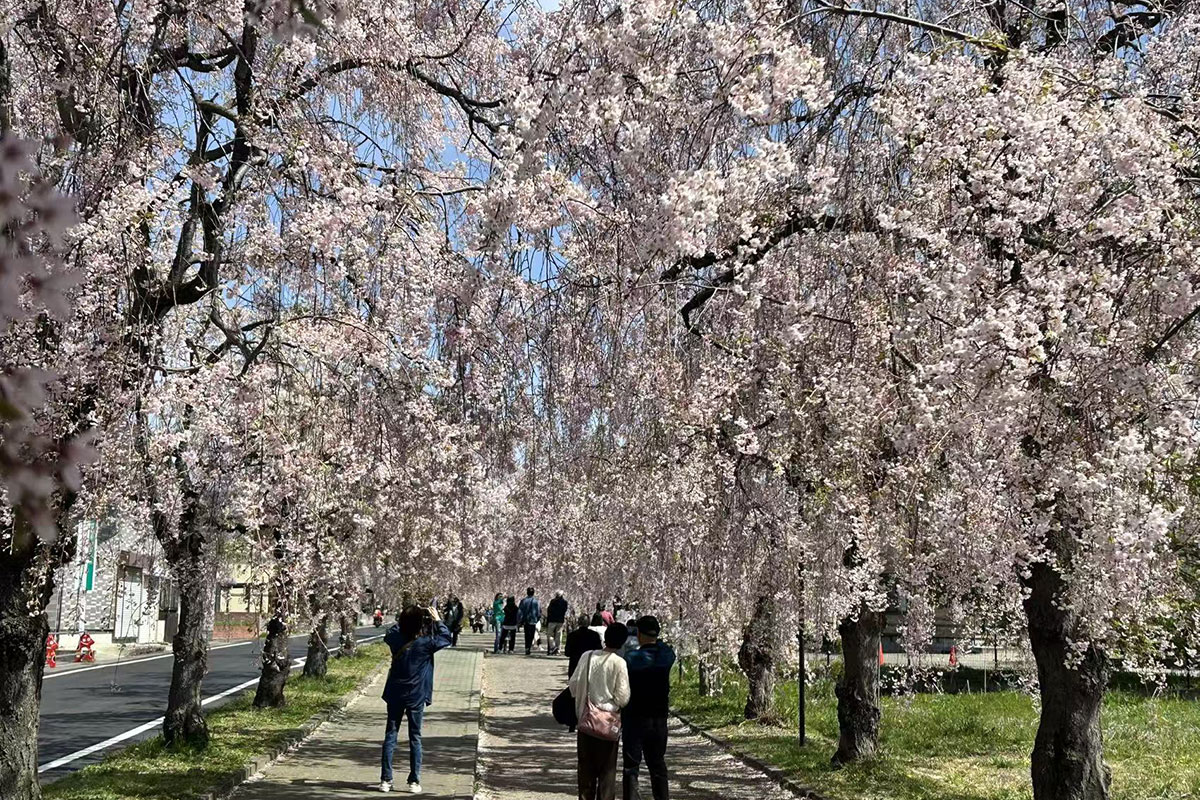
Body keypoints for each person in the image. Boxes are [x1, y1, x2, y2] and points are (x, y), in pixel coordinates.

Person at [379, 604, 453, 794]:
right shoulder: (426, 643)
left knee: (390, 735)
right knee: (415, 737)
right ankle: (414, 781)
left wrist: (404, 618)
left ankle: (386, 780)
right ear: (420, 623)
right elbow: (446, 638)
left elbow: (390, 631)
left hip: (395, 693)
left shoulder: (395, 639)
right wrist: (436, 619)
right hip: (416, 695)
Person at [569, 621, 631, 800]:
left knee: (585, 772)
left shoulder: (586, 657)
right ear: (623, 642)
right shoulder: (619, 663)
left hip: (585, 720)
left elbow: (573, 687)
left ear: (605, 638)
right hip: (607, 724)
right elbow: (623, 698)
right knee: (607, 773)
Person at [621, 615, 676, 800]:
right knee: (657, 764)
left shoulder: (631, 658)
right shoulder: (666, 656)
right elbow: (665, 648)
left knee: (631, 767)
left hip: (634, 717)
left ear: (638, 634)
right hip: (658, 717)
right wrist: (655, 640)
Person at [565, 613, 603, 679]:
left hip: (575, 665)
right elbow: (599, 651)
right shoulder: (595, 635)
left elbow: (567, 653)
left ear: (578, 622)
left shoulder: (572, 635)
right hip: (590, 665)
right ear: (589, 623)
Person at [518, 586, 541, 656]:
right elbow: (539, 611)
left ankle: (527, 647)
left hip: (526, 620)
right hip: (533, 620)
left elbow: (520, 611)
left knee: (527, 635)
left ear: (527, 593)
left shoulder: (523, 601)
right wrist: (537, 618)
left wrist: (519, 620)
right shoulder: (536, 601)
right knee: (531, 635)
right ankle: (528, 647)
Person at [546, 590, 569, 655]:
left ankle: (553, 647)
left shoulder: (552, 601)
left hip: (552, 620)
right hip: (560, 621)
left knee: (550, 635)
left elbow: (549, 610)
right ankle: (558, 650)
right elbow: (565, 610)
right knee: (558, 636)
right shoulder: (565, 602)